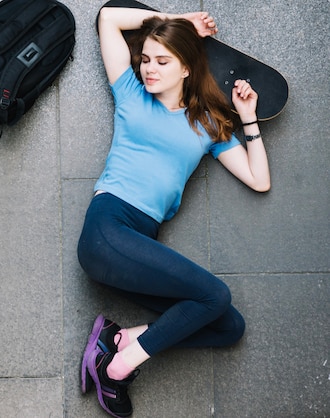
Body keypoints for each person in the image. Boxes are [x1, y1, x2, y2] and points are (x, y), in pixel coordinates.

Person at [78, 3, 271, 417]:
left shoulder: (208, 125)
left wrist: (249, 119)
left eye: (162, 61)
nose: (149, 68)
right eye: (145, 59)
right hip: (108, 229)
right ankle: (116, 368)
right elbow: (108, 17)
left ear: (186, 68)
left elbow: (259, 179)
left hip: (138, 250)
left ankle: (118, 340)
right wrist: (179, 20)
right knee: (215, 294)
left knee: (227, 325)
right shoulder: (129, 92)